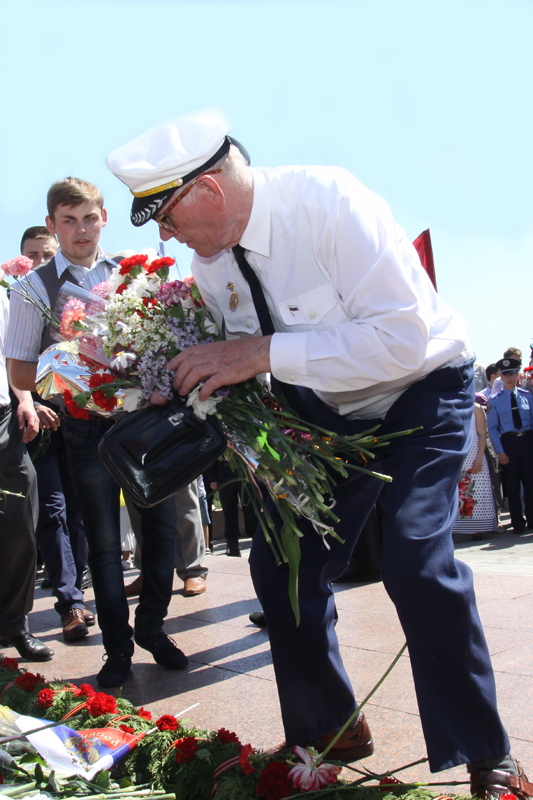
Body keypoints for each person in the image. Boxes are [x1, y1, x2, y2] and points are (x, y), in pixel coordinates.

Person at [106, 111, 530, 800]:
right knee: (281, 565)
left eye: (166, 215)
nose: (165, 235)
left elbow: (399, 340)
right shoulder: (211, 265)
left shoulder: (330, 203)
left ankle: (489, 755)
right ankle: (327, 730)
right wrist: (200, 394)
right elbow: (247, 368)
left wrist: (257, 354)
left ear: (208, 191)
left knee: (415, 558)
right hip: (322, 410)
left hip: (419, 391)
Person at [6, 177, 188, 686]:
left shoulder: (133, 272)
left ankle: (152, 628)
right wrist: (70, 361)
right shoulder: (32, 289)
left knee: (162, 530)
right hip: (87, 431)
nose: (81, 230)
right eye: (68, 220)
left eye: (89, 218)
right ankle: (118, 648)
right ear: (52, 225)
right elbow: (18, 371)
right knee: (105, 544)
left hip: (144, 425)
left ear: (104, 218)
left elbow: (164, 338)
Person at [0, 286, 53, 662]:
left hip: (3, 418)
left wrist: (25, 401)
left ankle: (13, 623)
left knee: (20, 521)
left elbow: (12, 355)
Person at [487, 357, 533, 535]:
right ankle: (517, 522)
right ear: (501, 377)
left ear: (517, 374)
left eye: (511, 374)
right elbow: (492, 429)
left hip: (527, 441)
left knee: (530, 483)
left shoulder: (527, 396)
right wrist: (500, 451)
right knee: (512, 486)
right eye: (505, 375)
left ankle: (532, 519)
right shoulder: (495, 400)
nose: (509, 378)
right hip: (509, 443)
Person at [452, 402, 498, 540]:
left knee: (476, 491)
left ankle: (476, 528)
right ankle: (456, 527)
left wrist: (479, 458)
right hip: (456, 454)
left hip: (474, 454)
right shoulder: (450, 406)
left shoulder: (476, 408)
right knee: (457, 492)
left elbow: (483, 434)